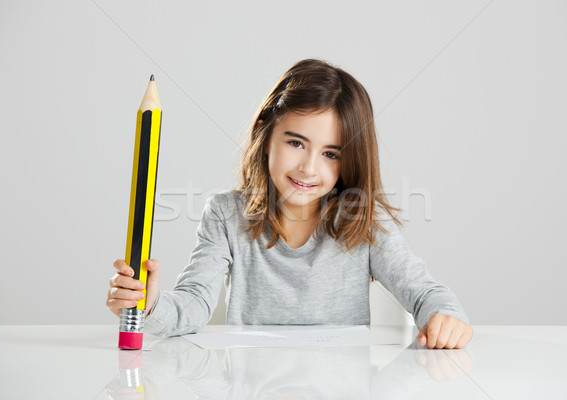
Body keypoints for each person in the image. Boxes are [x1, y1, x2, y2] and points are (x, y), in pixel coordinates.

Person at [107, 58, 473, 349]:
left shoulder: (364, 219)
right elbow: (193, 304)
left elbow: (424, 291)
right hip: (252, 385)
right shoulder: (225, 214)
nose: (309, 168)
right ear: (266, 133)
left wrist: (445, 317)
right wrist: (149, 305)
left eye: (331, 153)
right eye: (295, 143)